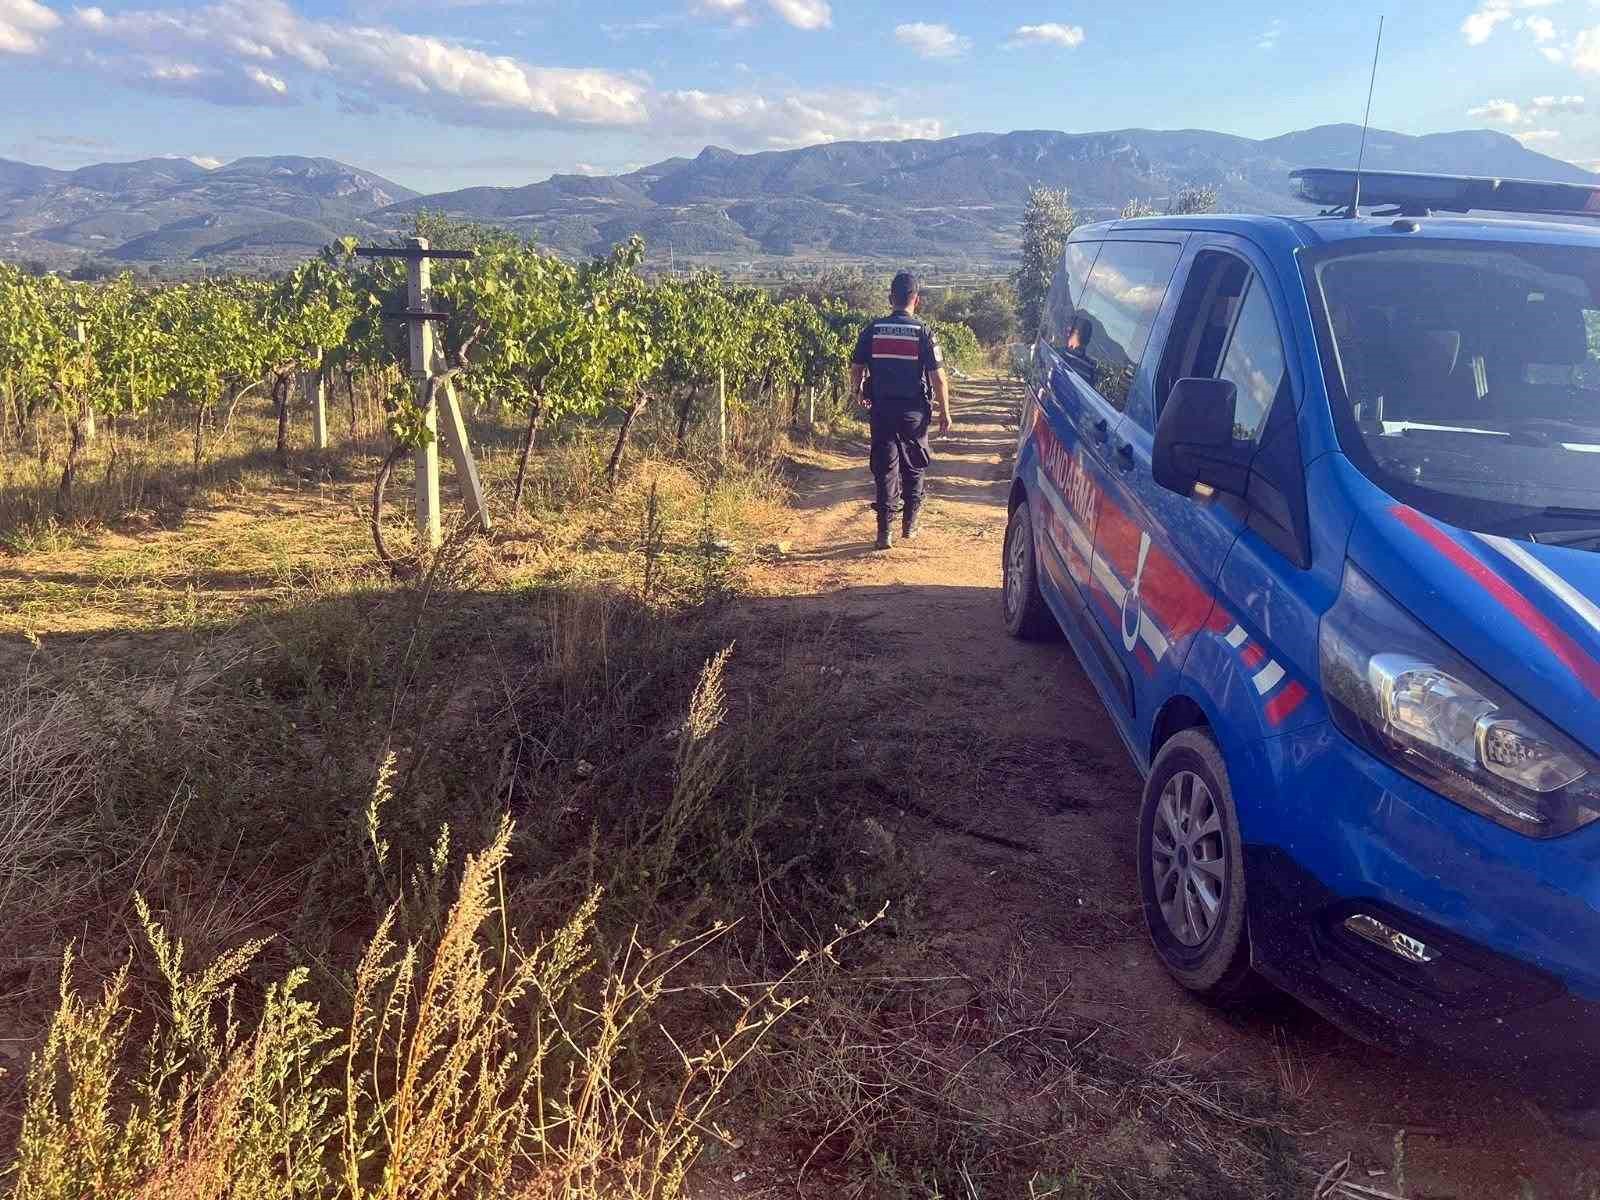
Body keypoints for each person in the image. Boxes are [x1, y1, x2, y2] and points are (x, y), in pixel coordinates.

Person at [849, 271, 952, 550]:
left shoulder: (873, 329)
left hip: (882, 409)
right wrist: (945, 411)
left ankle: (885, 533)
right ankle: (910, 524)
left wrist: (857, 391)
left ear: (890, 297)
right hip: (914, 412)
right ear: (916, 300)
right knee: (914, 464)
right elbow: (938, 377)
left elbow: (856, 367)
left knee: (885, 466)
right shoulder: (923, 332)